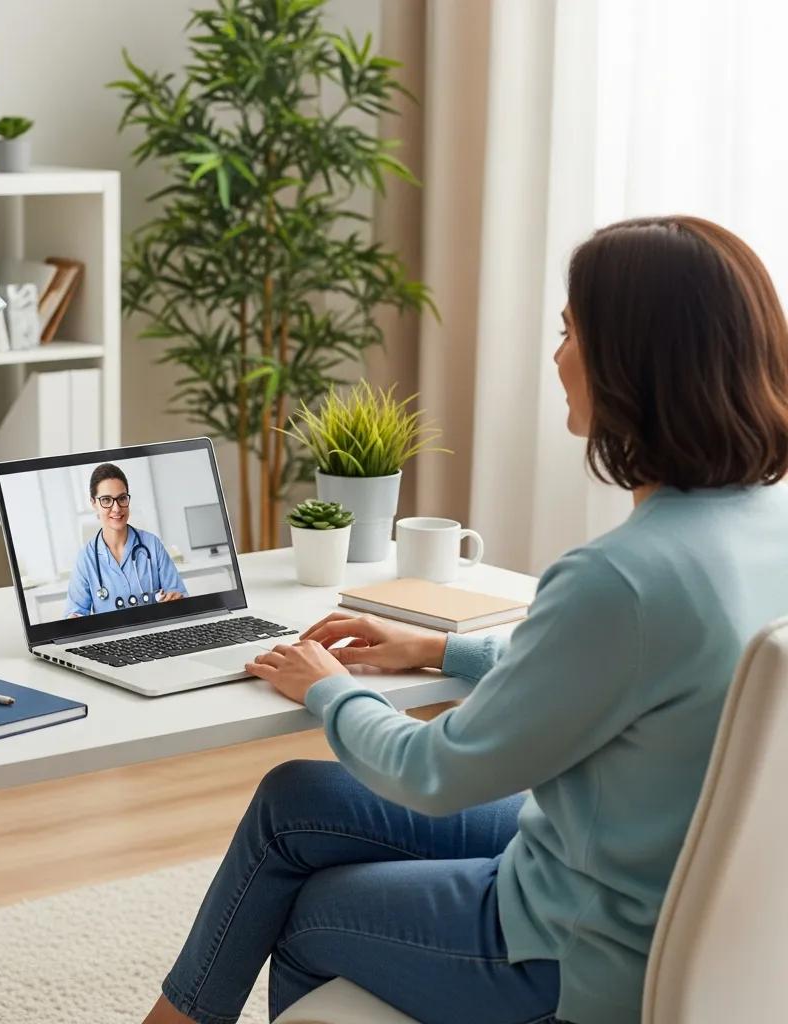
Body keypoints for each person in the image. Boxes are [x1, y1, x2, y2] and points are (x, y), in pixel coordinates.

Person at [143, 217, 788, 1024]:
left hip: (575, 947)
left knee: (310, 915)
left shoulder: (620, 577)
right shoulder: (768, 525)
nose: (557, 358)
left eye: (569, 333)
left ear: (633, 364)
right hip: (634, 881)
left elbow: (437, 774)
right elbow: (629, 674)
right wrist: (444, 647)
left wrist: (330, 692)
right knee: (294, 802)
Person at [65, 463, 188, 617]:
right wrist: (74, 618)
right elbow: (75, 612)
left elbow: (179, 596)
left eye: (122, 498)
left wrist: (176, 601)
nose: (116, 508)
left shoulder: (152, 545)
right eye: (106, 500)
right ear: (94, 503)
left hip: (157, 635)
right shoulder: (86, 559)